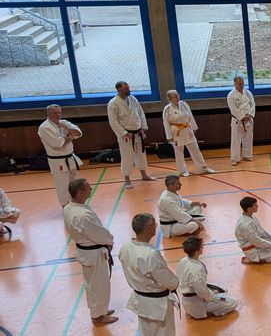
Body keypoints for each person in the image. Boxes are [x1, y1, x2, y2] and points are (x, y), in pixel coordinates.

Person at [63, 179, 118, 325]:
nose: (91, 189)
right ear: (81, 193)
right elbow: (98, 234)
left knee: (96, 284)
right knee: (97, 285)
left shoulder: (69, 207)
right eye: (88, 188)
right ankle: (97, 317)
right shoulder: (82, 215)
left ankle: (100, 310)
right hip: (93, 254)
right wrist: (109, 241)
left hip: (88, 251)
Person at [119, 213, 179, 336]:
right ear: (148, 229)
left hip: (140, 300)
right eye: (154, 225)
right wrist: (176, 283)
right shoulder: (150, 254)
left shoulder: (125, 247)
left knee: (146, 332)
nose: (156, 227)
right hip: (157, 303)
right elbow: (168, 281)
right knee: (164, 333)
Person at [107, 81, 156, 189]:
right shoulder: (113, 103)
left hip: (137, 132)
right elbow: (113, 121)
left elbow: (141, 113)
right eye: (126, 88)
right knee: (127, 157)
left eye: (128, 87)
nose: (128, 90)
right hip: (126, 135)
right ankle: (127, 180)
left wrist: (142, 128)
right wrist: (124, 133)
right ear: (119, 89)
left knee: (141, 155)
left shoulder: (133, 99)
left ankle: (144, 174)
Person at [176, 237, 238, 319]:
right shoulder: (196, 269)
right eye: (201, 247)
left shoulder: (182, 261)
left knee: (221, 288)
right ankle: (205, 312)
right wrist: (212, 294)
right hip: (198, 303)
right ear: (197, 251)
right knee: (233, 302)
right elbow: (201, 291)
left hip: (188, 299)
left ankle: (191, 311)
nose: (202, 248)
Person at [38, 104, 83, 206]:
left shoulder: (63, 123)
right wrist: (70, 137)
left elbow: (79, 133)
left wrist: (66, 128)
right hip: (58, 160)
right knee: (62, 186)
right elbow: (58, 144)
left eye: (59, 112)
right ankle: (65, 206)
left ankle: (76, 204)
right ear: (48, 114)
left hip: (70, 157)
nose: (58, 115)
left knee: (74, 183)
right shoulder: (44, 127)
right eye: (55, 113)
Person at [162, 90, 214, 177]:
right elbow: (166, 123)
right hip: (176, 132)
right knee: (179, 152)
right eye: (175, 96)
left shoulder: (184, 104)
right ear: (170, 99)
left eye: (178, 95)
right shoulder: (167, 109)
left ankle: (203, 167)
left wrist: (194, 127)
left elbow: (190, 116)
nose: (178, 97)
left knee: (195, 149)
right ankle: (182, 171)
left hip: (187, 130)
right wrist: (169, 136)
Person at [235, 197, 271, 264]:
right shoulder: (246, 225)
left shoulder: (250, 216)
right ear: (249, 209)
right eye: (255, 205)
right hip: (252, 249)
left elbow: (261, 230)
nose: (257, 206)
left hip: (255, 242)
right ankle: (254, 259)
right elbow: (257, 241)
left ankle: (264, 254)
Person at [228, 76, 255, 166]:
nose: (241, 85)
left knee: (248, 137)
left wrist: (250, 115)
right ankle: (234, 158)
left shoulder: (248, 93)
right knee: (236, 139)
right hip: (237, 120)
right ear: (235, 84)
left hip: (248, 118)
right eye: (239, 84)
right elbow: (233, 109)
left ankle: (247, 155)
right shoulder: (231, 95)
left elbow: (253, 104)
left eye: (242, 83)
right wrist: (242, 116)